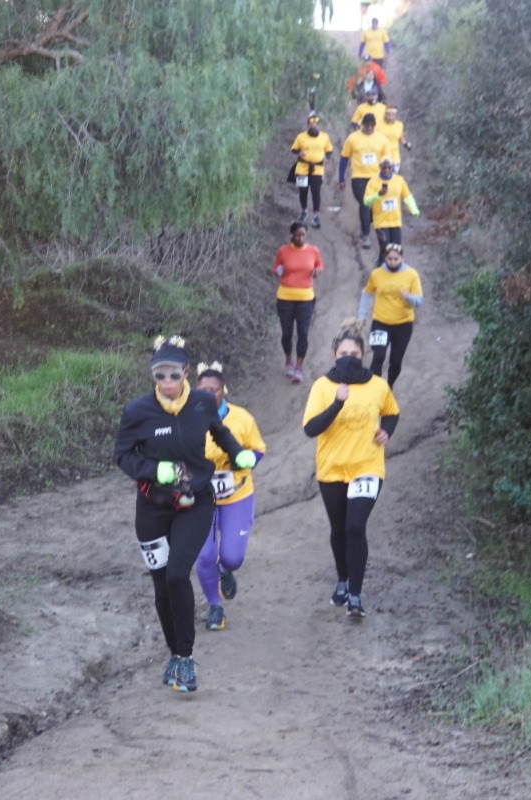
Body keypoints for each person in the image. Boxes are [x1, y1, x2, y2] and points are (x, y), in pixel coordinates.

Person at [114, 335, 257, 693]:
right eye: (160, 376)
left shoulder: (203, 403)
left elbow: (220, 433)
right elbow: (122, 455)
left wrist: (237, 453)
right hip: (152, 508)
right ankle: (174, 654)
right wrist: (151, 470)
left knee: (178, 575)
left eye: (173, 376)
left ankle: (187, 658)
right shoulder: (137, 412)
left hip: (195, 501)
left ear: (186, 373)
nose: (167, 384)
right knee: (162, 587)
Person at [302, 319, 399, 618]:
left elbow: (392, 412)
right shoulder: (323, 386)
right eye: (343, 353)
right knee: (339, 529)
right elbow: (311, 428)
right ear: (334, 354)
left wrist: (387, 431)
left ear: (363, 355)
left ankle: (355, 595)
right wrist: (336, 403)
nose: (349, 358)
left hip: (367, 466)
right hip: (332, 468)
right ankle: (342, 579)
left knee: (355, 527)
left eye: (355, 354)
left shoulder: (377, 385)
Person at [195, 362, 266, 631]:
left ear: (224, 390)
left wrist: (246, 460)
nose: (210, 394)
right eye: (204, 389)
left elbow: (257, 448)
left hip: (236, 494)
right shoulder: (187, 419)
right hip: (200, 497)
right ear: (195, 390)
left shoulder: (242, 418)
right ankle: (215, 606)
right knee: (203, 556)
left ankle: (225, 571)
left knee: (232, 557)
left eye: (215, 389)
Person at [357, 243, 423, 387]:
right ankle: (376, 389)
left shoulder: (411, 274)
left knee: (395, 362)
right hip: (380, 322)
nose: (393, 262)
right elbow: (367, 293)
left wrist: (408, 297)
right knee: (378, 356)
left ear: (402, 258)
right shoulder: (377, 274)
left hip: (403, 324)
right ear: (385, 259)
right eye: (390, 259)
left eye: (396, 259)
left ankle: (389, 386)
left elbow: (419, 300)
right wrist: (361, 315)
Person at [272, 221, 323, 383]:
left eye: (303, 235)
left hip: (306, 299)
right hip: (285, 298)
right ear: (292, 235)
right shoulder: (283, 250)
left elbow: (319, 265)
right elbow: (275, 267)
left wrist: (317, 271)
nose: (301, 238)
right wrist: (278, 272)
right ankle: (288, 360)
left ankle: (299, 367)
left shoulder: (313, 250)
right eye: (297, 235)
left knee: (303, 333)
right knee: (286, 333)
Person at [339, 113, 391, 249]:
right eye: (366, 125)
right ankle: (366, 236)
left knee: (375, 205)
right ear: (362, 125)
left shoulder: (382, 139)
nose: (369, 128)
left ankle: (365, 225)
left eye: (371, 125)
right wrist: (341, 177)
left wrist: (389, 176)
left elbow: (387, 160)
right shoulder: (353, 138)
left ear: (374, 125)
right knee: (364, 203)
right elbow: (344, 158)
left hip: (376, 177)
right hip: (358, 176)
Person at [363, 154, 419, 265]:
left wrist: (414, 210)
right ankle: (380, 271)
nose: (387, 170)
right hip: (381, 222)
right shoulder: (373, 182)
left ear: (393, 167)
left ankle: (390, 270)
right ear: (380, 167)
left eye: (389, 167)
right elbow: (366, 201)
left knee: (396, 250)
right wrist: (378, 195)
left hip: (395, 221)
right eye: (384, 167)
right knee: (386, 248)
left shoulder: (399, 180)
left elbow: (407, 196)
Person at [290, 113, 333, 229]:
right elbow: (293, 149)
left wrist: (327, 158)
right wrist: (299, 153)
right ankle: (304, 210)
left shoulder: (324, 137)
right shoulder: (301, 136)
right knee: (303, 190)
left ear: (318, 125)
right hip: (302, 167)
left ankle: (316, 215)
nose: (313, 126)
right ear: (308, 125)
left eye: (315, 124)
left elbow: (329, 149)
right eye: (311, 124)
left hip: (317, 169)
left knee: (316, 191)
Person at [375, 106, 411, 173]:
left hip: (394, 156)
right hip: (381, 155)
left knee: (392, 177)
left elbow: (401, 138)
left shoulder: (399, 125)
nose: (391, 117)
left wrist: (406, 145)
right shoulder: (377, 124)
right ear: (385, 114)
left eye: (393, 115)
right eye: (388, 115)